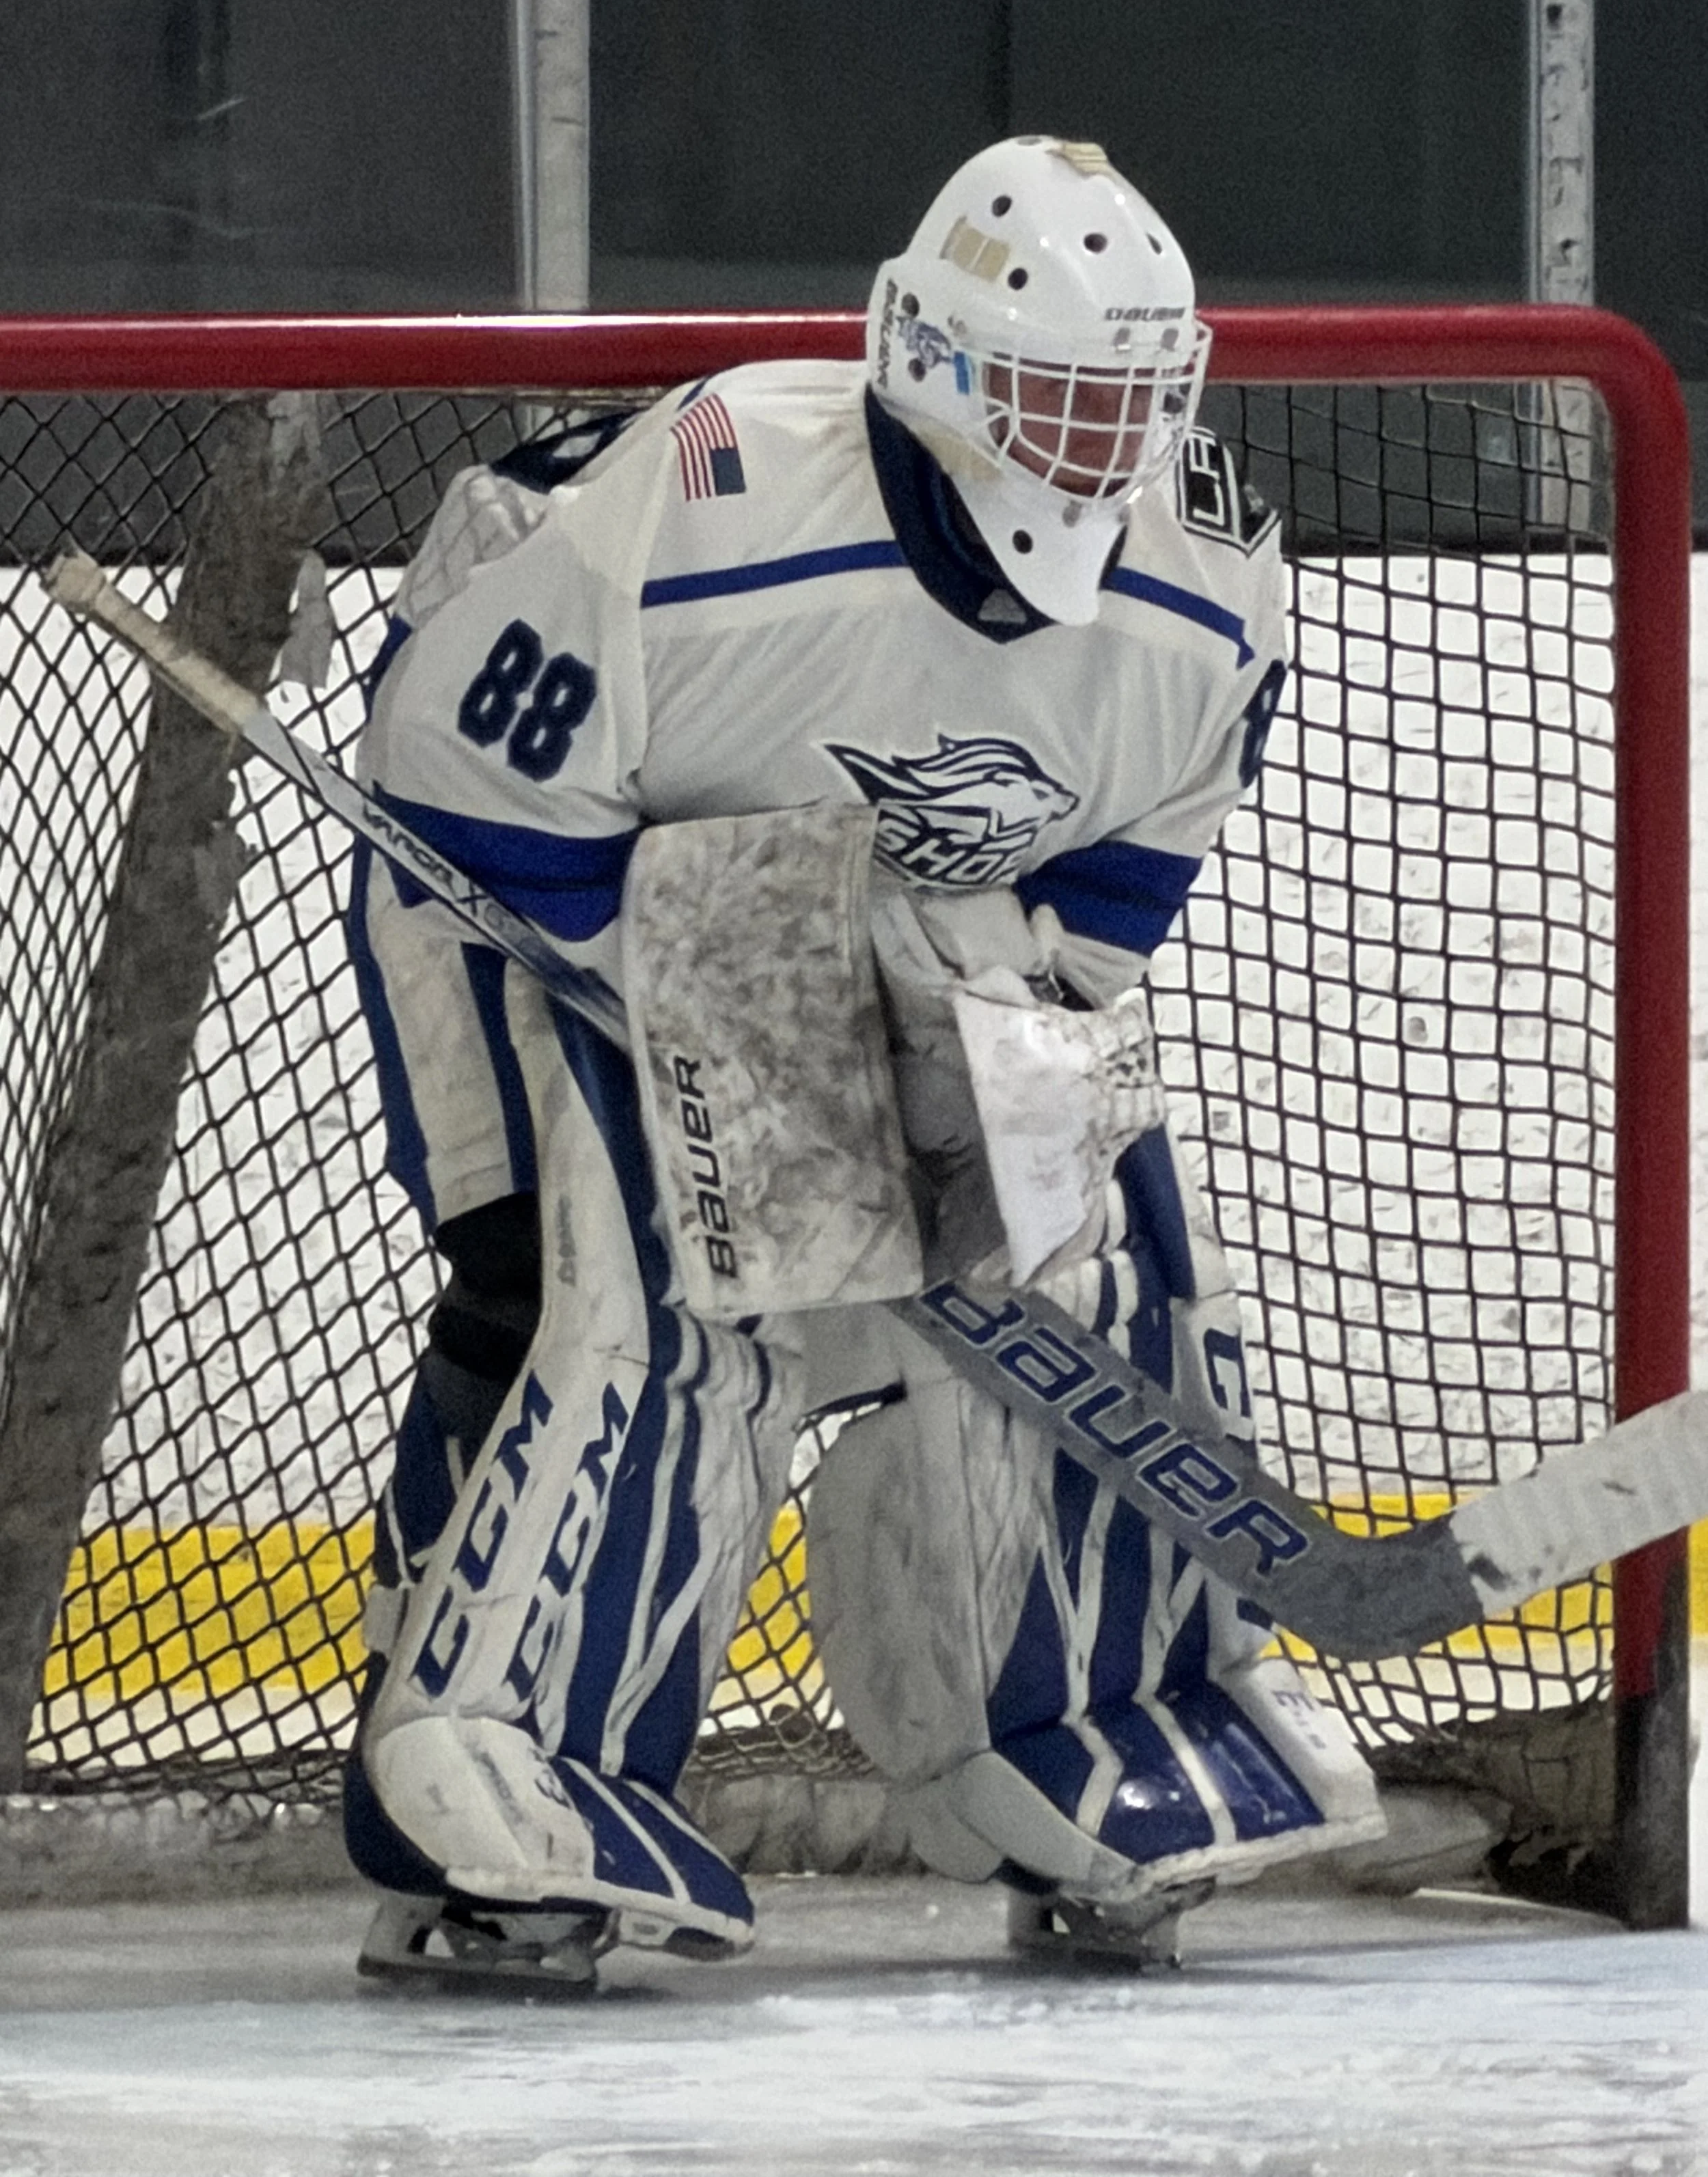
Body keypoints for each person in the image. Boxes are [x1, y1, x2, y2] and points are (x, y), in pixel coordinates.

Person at [341, 135, 1384, 1992]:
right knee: (608, 1284)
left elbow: (1117, 872)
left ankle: (1087, 1719)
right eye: (1059, 395)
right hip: (550, 856)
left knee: (1085, 1246)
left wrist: (972, 1056)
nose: (1099, 447)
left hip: (887, 901)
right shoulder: (712, 503)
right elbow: (464, 801)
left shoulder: (1206, 577)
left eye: (1134, 400)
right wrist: (756, 1039)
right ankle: (496, 1778)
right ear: (940, 364)